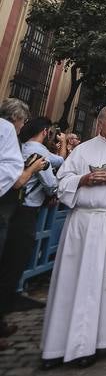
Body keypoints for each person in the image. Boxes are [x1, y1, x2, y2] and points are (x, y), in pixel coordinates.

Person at [40, 105, 106, 369]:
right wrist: (83, 180)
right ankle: (57, 345)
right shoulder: (82, 149)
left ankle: (95, 342)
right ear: (100, 123)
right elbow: (61, 180)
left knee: (101, 283)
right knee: (69, 281)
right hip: (82, 223)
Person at [0, 117, 60, 321]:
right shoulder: (40, 154)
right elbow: (51, 184)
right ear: (45, 132)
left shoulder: (19, 146)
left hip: (9, 208)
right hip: (26, 211)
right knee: (14, 263)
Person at [0, 99, 46, 346]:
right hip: (8, 210)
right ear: (16, 119)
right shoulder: (7, 133)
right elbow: (17, 181)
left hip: (12, 212)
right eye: (22, 121)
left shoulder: (14, 140)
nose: (22, 126)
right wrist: (33, 169)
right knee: (8, 269)